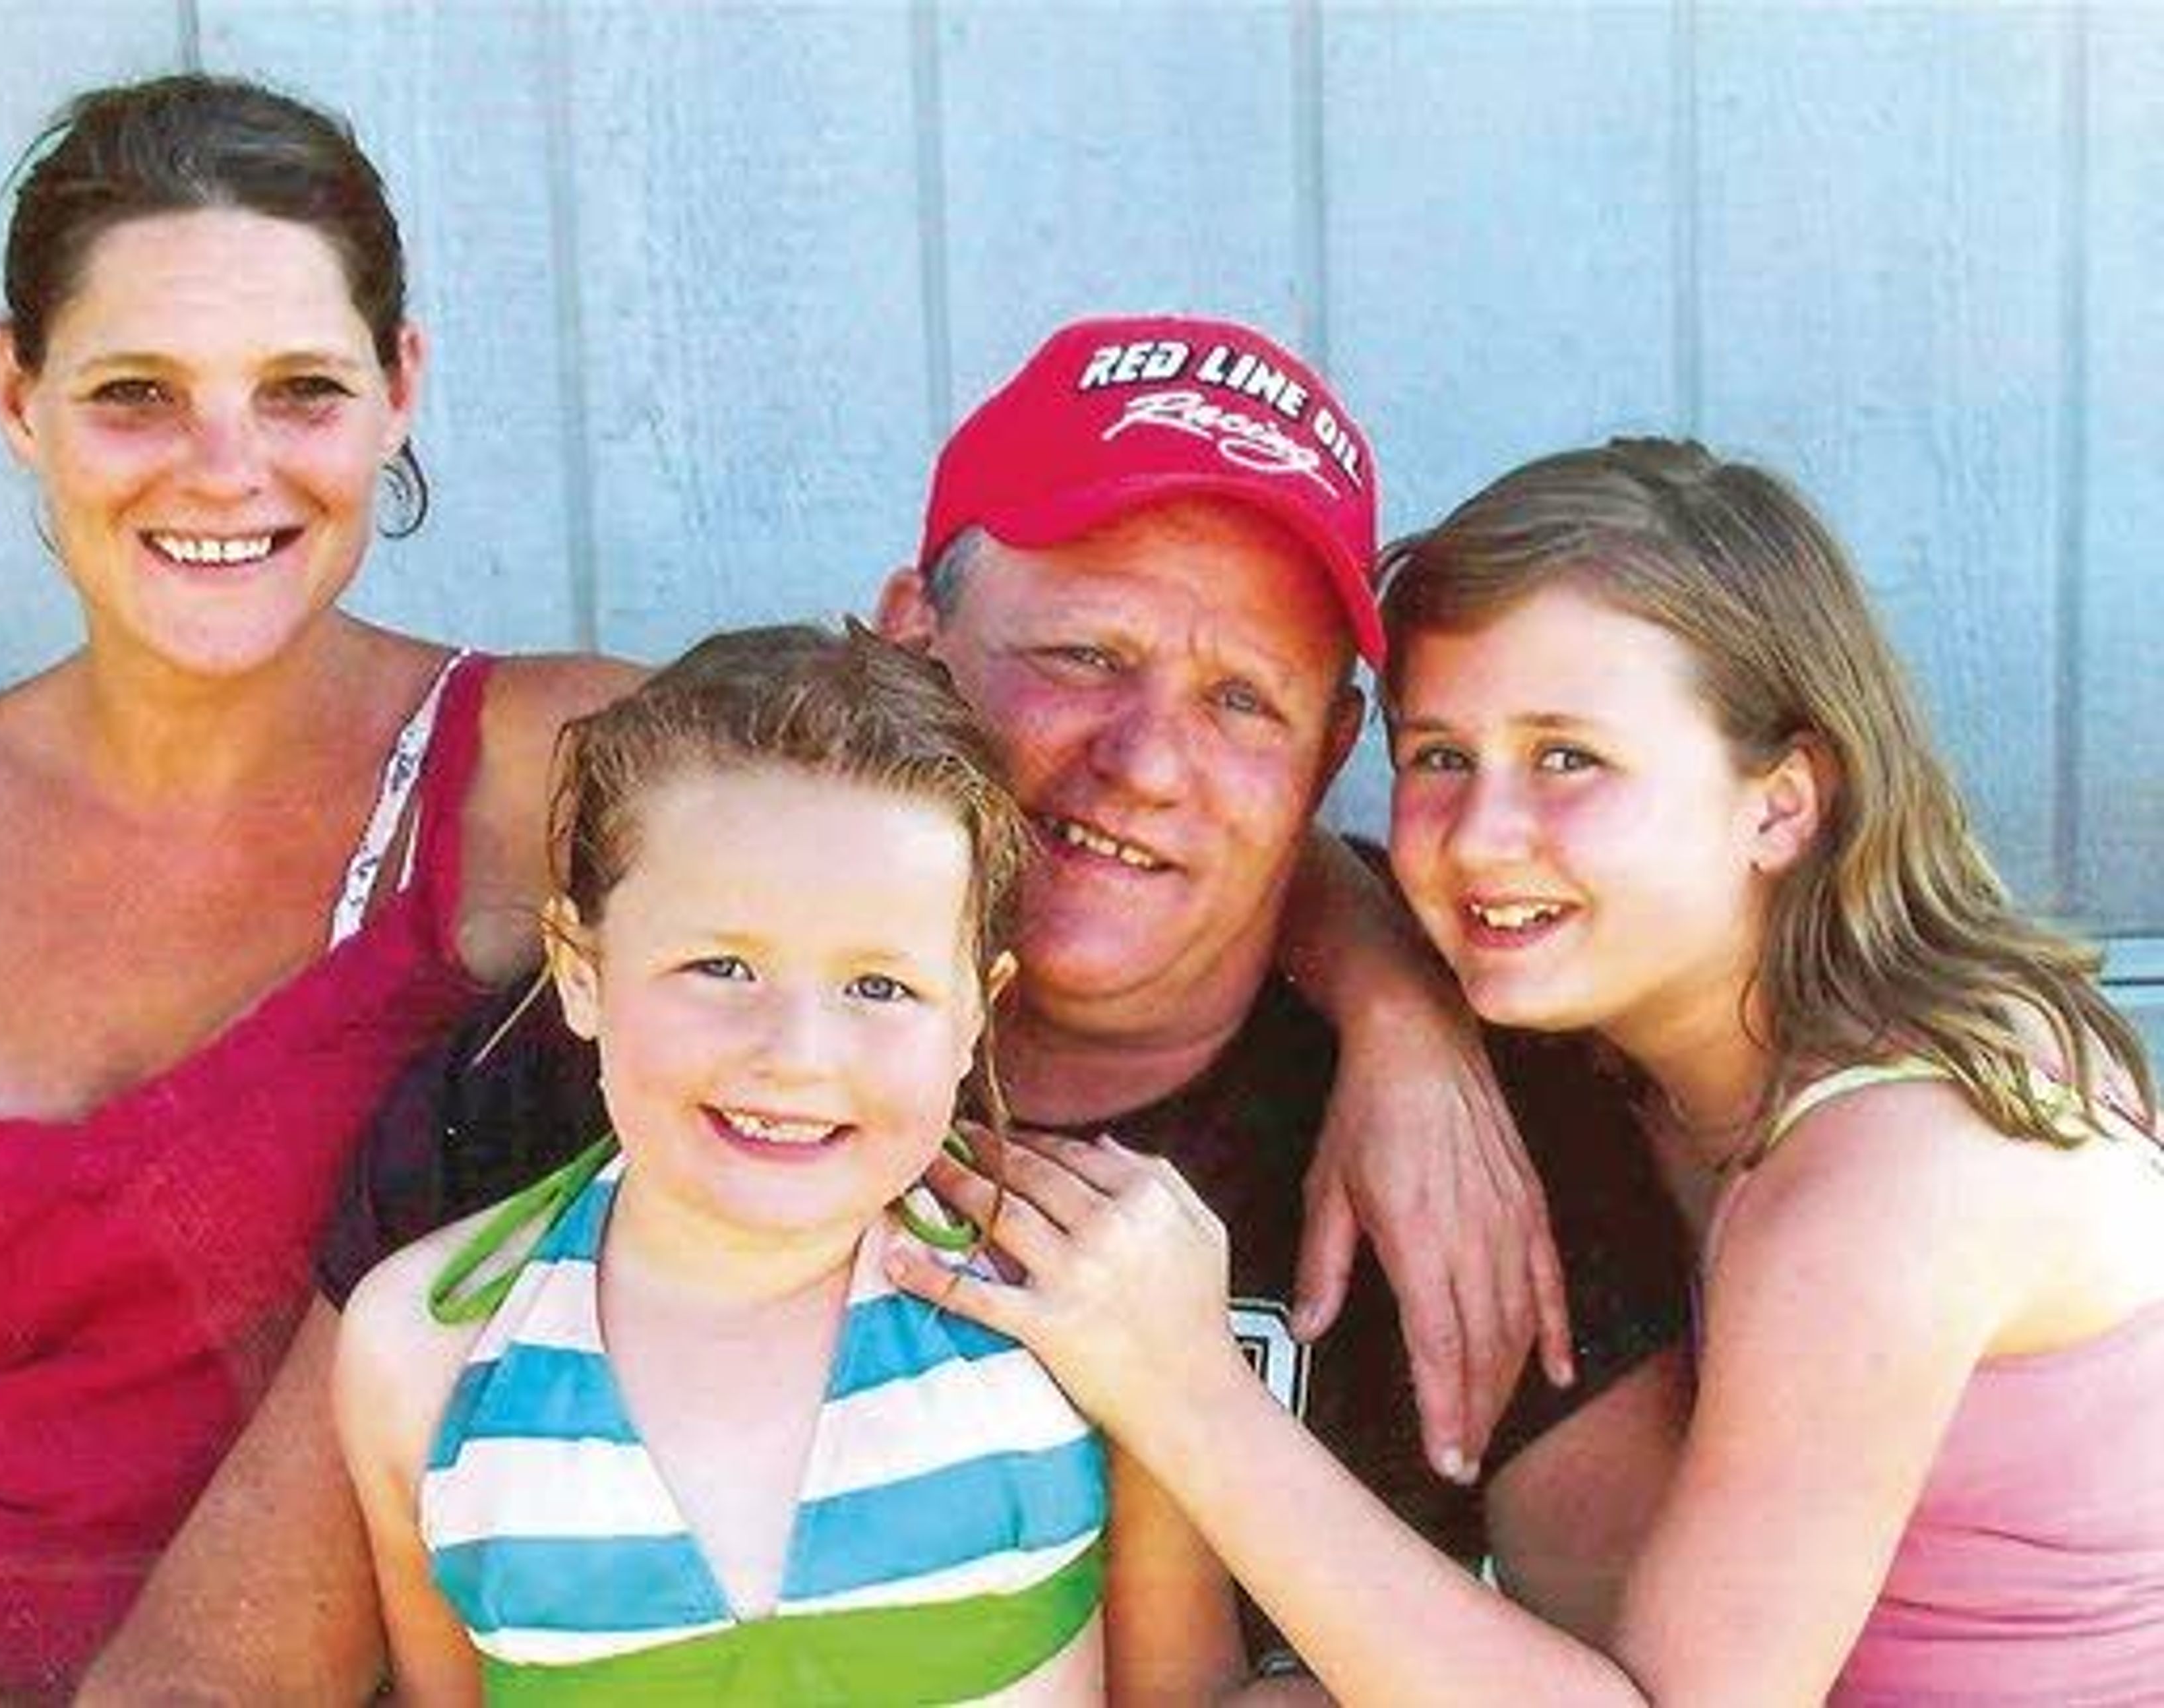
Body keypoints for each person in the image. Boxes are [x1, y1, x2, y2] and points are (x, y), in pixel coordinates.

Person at [286, 323, 1694, 1693]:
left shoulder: (1495, 1129)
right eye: (1083, 655)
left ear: (1332, 752)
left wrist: (1196, 1386)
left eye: (1244, 702)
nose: (1146, 761)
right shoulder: (600, 1072)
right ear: (913, 635)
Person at [0, 75, 631, 1699]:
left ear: (401, 390)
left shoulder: (552, 774)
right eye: (137, 393)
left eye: (301, 388)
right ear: (16, 395)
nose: (223, 470)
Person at [903, 438, 2164, 1703]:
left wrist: (1189, 1393)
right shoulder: (1643, 1036)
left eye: (1570, 758)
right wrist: (1403, 1020)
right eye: (1439, 756)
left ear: (1781, 805)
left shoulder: (1898, 1171)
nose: (1483, 837)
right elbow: (1235, 849)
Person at [338, 623, 1216, 1700]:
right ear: (581, 971)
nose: (798, 1055)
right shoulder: (428, 1347)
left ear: (975, 1014)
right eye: (721, 965)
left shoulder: (1072, 1301)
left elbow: (1188, 1691)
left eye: (880, 987)